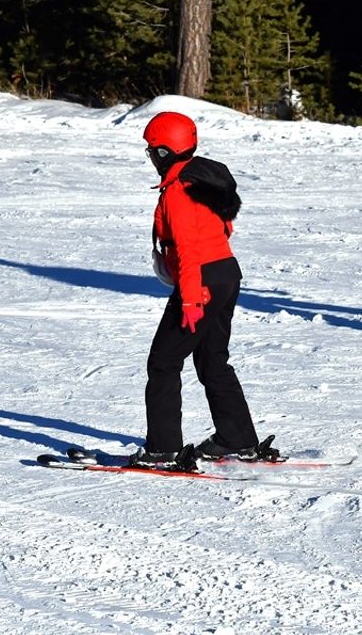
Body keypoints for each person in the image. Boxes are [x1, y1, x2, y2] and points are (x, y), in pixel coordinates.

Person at [133, 111, 270, 466]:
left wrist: (192, 297)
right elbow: (225, 227)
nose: (150, 157)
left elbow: (189, 248)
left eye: (152, 150)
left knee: (163, 361)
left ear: (164, 152)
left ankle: (162, 448)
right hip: (226, 274)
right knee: (212, 359)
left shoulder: (179, 190)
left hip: (203, 282)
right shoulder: (204, 180)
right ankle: (237, 438)